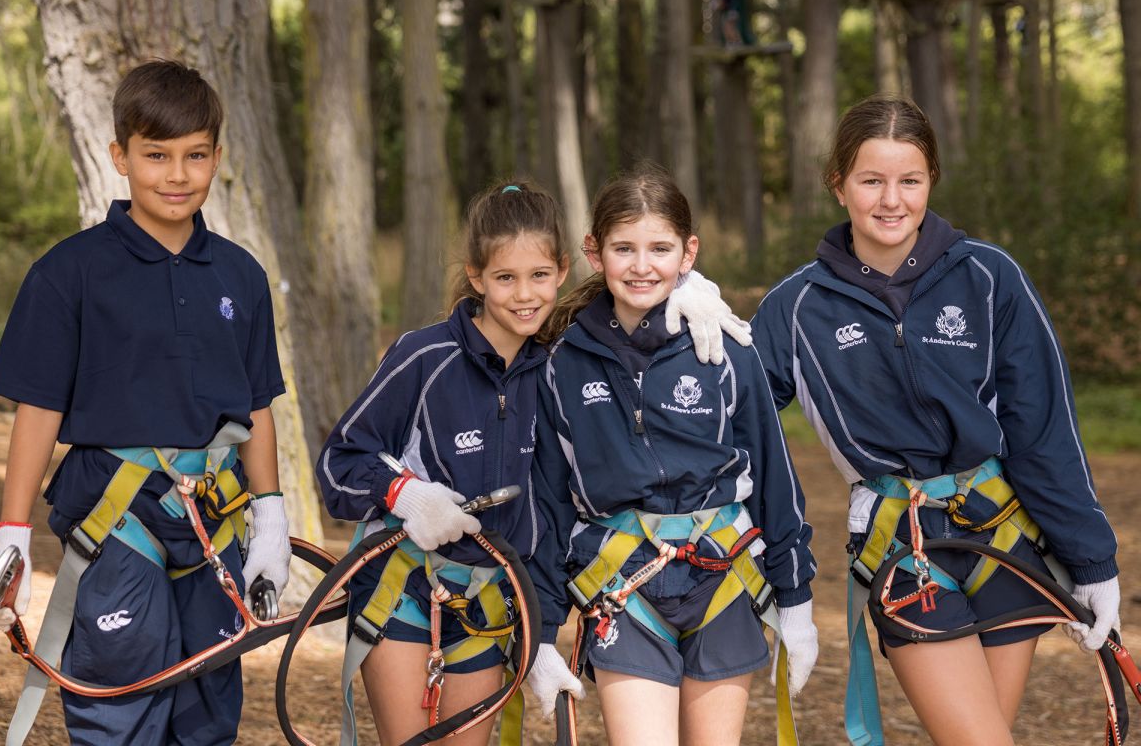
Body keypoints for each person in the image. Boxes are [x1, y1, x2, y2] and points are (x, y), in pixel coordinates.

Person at [316, 179, 743, 745]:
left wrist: (692, 290)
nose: (524, 294)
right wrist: (406, 494)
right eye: (505, 278)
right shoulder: (425, 357)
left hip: (491, 598)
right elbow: (339, 463)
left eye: (539, 276)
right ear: (476, 277)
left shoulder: (561, 365)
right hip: (401, 589)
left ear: (563, 270)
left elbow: (632, 282)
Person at [750, 94, 1120, 746]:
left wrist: (1093, 562)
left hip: (1004, 539)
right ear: (838, 186)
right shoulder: (795, 309)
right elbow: (731, 425)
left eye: (910, 180)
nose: (891, 200)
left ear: (931, 183)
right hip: (904, 546)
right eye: (871, 180)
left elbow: (1043, 428)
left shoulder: (989, 278)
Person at [0, 59, 292, 745]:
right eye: (156, 156)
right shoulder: (70, 273)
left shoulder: (241, 275)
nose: (177, 175)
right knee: (118, 707)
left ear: (217, 156)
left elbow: (257, 407)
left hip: (214, 518)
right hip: (116, 520)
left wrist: (270, 518)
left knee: (209, 711)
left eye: (195, 155)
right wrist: (13, 536)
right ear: (119, 156)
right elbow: (38, 411)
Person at [526, 164, 818, 745]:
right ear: (594, 251)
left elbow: (774, 478)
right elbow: (548, 501)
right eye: (623, 249)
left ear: (689, 254)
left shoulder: (726, 350)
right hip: (622, 584)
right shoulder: (562, 363)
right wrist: (541, 631)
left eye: (660, 248)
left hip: (722, 580)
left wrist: (796, 598)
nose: (641, 265)